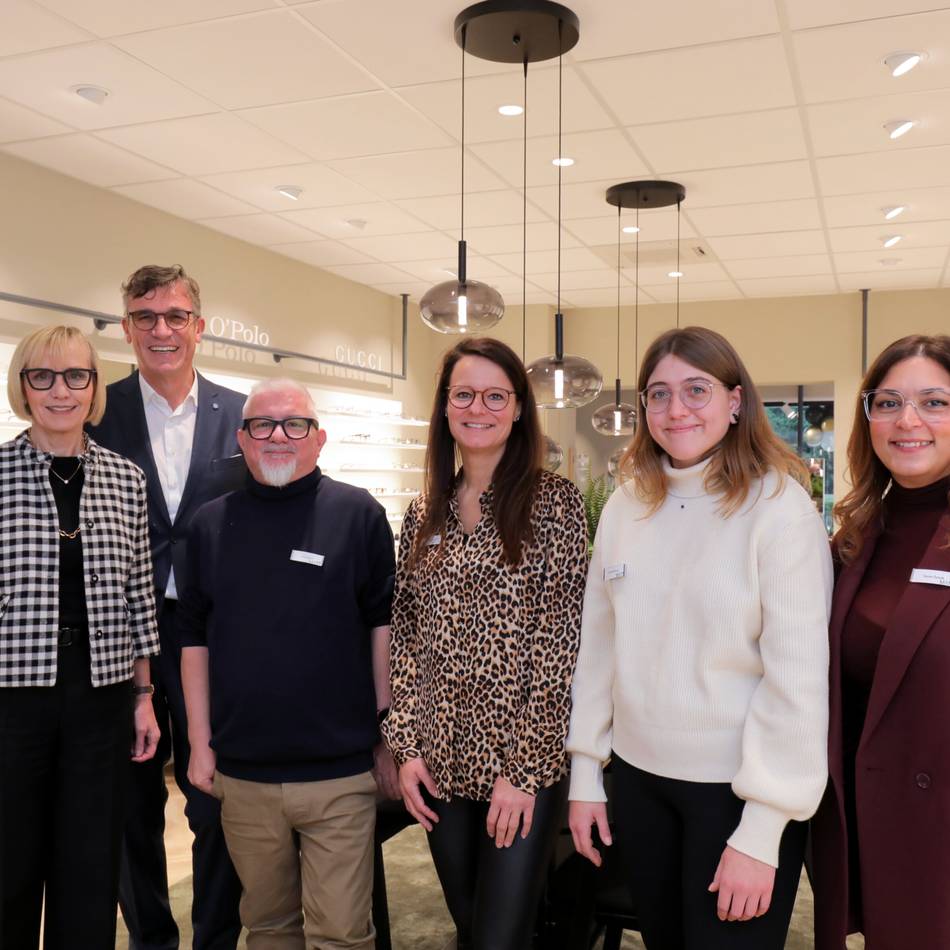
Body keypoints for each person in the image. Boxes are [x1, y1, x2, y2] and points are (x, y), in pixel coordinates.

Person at [567, 326, 832, 950]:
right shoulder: (625, 507)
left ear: (735, 401)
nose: (675, 409)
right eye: (658, 394)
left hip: (736, 795)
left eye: (696, 389)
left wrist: (763, 830)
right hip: (638, 783)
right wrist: (585, 775)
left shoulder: (779, 509)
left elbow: (796, 682)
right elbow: (598, 652)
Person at [383, 336, 589, 950]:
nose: (479, 408)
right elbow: (406, 639)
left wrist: (521, 774)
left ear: (519, 408)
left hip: (521, 763)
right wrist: (406, 748)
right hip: (439, 763)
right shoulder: (425, 510)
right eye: (464, 395)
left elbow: (560, 650)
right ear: (445, 407)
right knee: (470, 925)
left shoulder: (555, 504)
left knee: (501, 936)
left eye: (496, 396)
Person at [179, 378, 397, 949]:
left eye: (294, 424)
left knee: (342, 933)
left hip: (340, 774)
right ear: (242, 439)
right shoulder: (208, 526)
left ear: (318, 438)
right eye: (262, 425)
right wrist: (199, 743)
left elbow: (382, 628)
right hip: (243, 774)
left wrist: (387, 733)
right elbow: (193, 642)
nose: (278, 436)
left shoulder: (359, 514)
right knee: (269, 928)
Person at [87, 264, 244, 950]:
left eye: (175, 316)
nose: (162, 330)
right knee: (130, 806)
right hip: (124, 635)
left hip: (213, 634)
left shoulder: (242, 414)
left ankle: (215, 937)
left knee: (215, 799)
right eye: (145, 317)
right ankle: (152, 937)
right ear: (127, 329)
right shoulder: (97, 412)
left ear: (198, 327)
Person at [0, 325, 161, 948]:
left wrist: (143, 697)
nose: (60, 391)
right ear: (23, 387)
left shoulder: (125, 479)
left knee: (91, 865)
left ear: (94, 387)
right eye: (42, 376)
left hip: (101, 697)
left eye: (75, 376)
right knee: (10, 862)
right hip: (13, 699)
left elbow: (138, 595)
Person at [811, 334, 950, 949]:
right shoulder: (855, 537)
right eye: (888, 402)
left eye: (934, 402)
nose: (907, 421)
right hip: (868, 819)